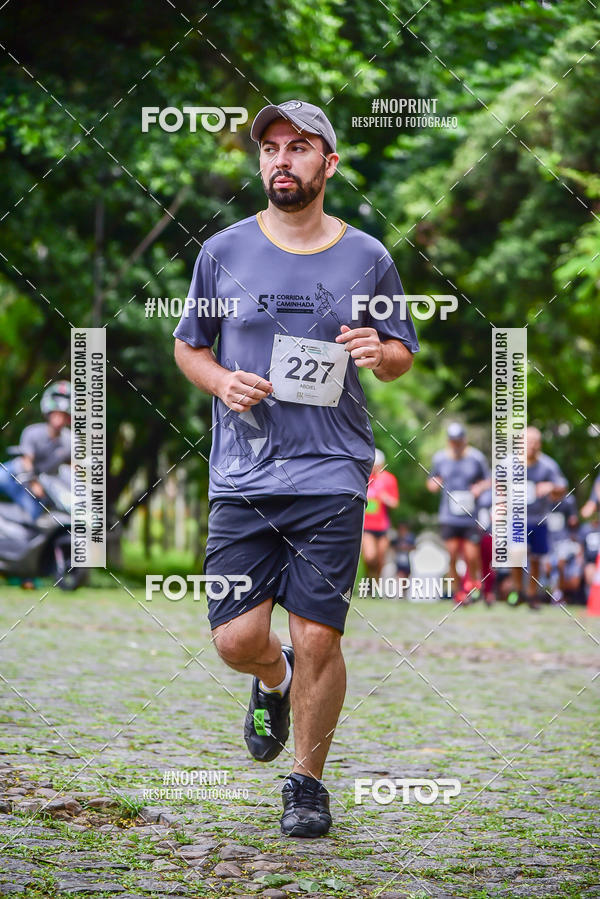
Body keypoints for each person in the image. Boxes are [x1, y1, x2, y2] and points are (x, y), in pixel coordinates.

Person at [173, 100, 419, 837]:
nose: (282, 158)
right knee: (234, 641)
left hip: (333, 472)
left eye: (300, 147)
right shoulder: (222, 251)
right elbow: (190, 346)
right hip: (244, 475)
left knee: (321, 635)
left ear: (329, 164)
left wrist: (382, 354)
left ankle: (306, 783)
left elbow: (402, 352)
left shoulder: (368, 255)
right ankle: (270, 678)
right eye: (271, 147)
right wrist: (220, 381)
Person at [426, 423, 490, 604]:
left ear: (465, 440)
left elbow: (488, 480)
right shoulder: (440, 458)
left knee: (471, 556)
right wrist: (434, 483)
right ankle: (458, 593)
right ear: (449, 441)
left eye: (459, 441)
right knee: (452, 556)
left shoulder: (476, 458)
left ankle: (472, 584)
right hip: (449, 515)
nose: (456, 445)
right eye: (453, 441)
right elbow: (431, 481)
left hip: (470, 516)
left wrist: (479, 487)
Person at [507, 426, 566, 610]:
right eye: (528, 441)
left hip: (539, 518)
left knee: (536, 558)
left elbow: (562, 487)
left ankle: (532, 594)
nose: (532, 446)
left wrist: (551, 487)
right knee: (517, 553)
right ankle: (518, 590)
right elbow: (497, 486)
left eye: (535, 442)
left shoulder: (547, 465)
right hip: (516, 518)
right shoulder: (508, 463)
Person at [0, 381, 71, 521]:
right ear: (49, 413)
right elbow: (27, 461)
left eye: (63, 415)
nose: (59, 420)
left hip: (42, 485)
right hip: (15, 474)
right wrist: (34, 484)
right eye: (56, 414)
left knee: (34, 515)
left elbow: (74, 469)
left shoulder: (69, 441)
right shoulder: (32, 432)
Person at [361, 448, 399, 591]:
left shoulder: (389, 479)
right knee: (370, 557)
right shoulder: (364, 478)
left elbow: (395, 503)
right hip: (367, 526)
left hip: (383, 526)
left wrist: (383, 497)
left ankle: (373, 586)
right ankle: (368, 579)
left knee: (380, 559)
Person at [390, 521, 415, 597]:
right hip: (399, 562)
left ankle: (404, 594)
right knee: (400, 577)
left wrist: (406, 548)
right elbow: (392, 546)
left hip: (407, 562)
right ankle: (400, 594)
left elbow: (414, 547)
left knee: (406, 579)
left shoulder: (410, 538)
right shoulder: (396, 539)